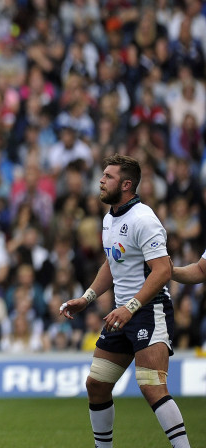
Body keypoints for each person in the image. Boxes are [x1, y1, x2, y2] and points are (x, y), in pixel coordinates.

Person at [59, 154, 190, 448]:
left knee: (152, 385)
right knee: (96, 385)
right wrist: (87, 297)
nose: (101, 181)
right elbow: (112, 262)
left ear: (127, 184)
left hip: (148, 309)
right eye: (103, 175)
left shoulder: (144, 219)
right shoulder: (110, 218)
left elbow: (163, 270)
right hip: (121, 314)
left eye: (108, 177)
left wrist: (131, 307)